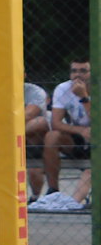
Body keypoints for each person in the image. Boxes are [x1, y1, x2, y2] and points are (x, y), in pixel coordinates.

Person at [42, 59, 91, 195]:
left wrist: (84, 97)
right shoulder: (63, 88)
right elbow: (56, 123)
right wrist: (81, 130)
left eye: (83, 71)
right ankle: (53, 191)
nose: (77, 75)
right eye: (74, 71)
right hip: (78, 135)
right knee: (52, 136)